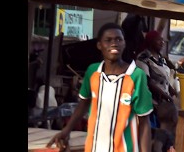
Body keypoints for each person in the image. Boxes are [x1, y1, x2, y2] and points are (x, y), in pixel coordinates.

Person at [51, 22, 153, 152]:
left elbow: (144, 121)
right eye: (108, 40)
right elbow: (84, 102)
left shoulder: (136, 76)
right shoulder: (93, 72)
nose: (114, 43)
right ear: (99, 45)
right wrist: (66, 130)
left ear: (124, 43)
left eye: (118, 39)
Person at [134, 30, 180, 144]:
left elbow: (164, 78)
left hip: (163, 100)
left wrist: (171, 90)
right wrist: (165, 95)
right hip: (152, 102)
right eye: (159, 40)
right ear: (151, 41)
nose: (162, 42)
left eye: (162, 40)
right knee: (155, 134)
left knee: (169, 128)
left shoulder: (161, 58)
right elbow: (147, 81)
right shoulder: (143, 58)